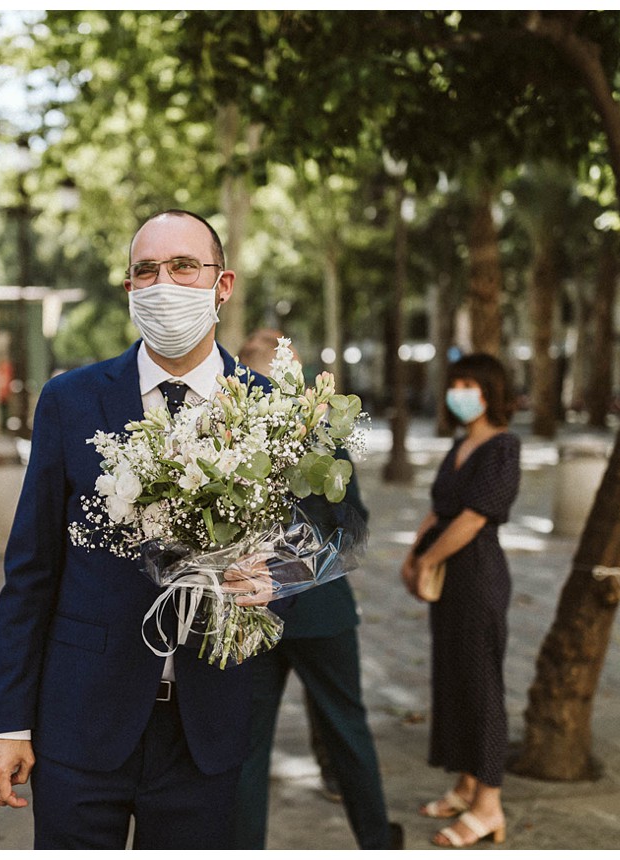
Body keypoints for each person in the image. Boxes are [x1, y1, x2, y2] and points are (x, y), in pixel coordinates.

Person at [0, 210, 287, 849]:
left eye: (182, 267)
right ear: (128, 289)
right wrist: (8, 723)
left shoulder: (270, 408)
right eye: (145, 271)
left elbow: (308, 544)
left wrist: (279, 578)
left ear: (221, 285)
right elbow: (30, 572)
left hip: (207, 729)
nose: (163, 284)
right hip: (81, 722)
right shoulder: (71, 400)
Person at [231, 329, 397, 850]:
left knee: (249, 748)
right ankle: (377, 842)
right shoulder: (321, 436)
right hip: (321, 611)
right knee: (346, 731)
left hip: (254, 612)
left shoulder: (227, 442)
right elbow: (354, 528)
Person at [400, 352, 520, 849]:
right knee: (452, 679)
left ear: (492, 391)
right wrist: (413, 555)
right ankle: (467, 784)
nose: (461, 391)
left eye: (471, 383)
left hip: (478, 577)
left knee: (482, 687)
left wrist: (429, 562)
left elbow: (472, 519)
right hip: (446, 580)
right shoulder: (459, 445)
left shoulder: (502, 447)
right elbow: (440, 509)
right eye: (456, 383)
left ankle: (489, 805)